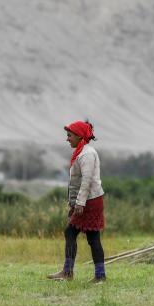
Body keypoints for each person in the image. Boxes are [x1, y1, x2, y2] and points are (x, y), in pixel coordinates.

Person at [47, 119, 106, 283]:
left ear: (79, 136)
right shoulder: (81, 152)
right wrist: (73, 203)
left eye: (69, 135)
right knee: (89, 236)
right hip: (88, 200)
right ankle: (97, 275)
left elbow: (86, 181)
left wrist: (80, 203)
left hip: (89, 201)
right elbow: (77, 182)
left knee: (74, 233)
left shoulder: (87, 154)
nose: (67, 139)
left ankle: (70, 273)